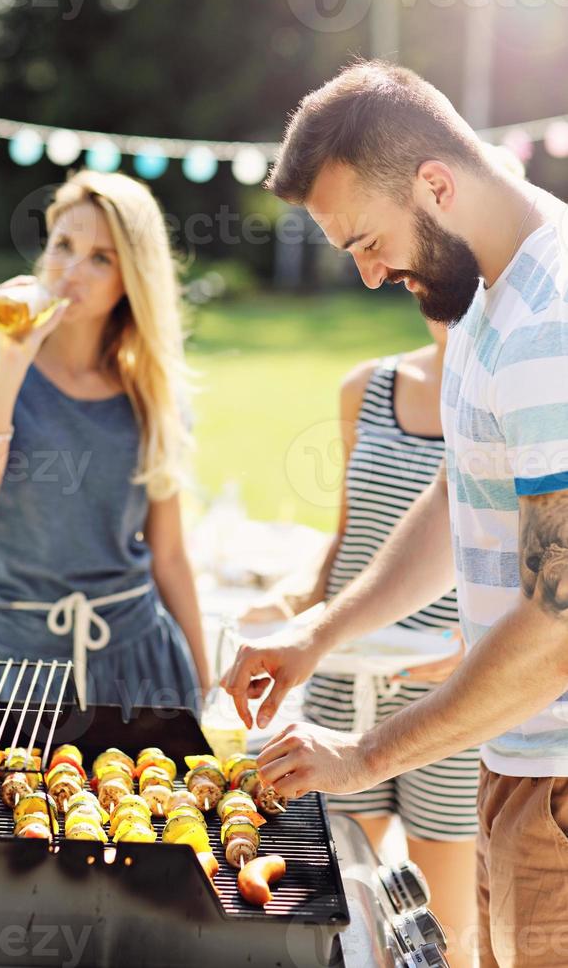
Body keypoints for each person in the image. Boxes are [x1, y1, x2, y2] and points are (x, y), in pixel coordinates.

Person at [223, 60, 568, 968]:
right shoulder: (490, 302)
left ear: (437, 185)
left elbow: (559, 618)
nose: (373, 277)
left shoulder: (552, 326)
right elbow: (462, 492)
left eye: (368, 242)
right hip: (519, 764)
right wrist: (318, 634)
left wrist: (363, 758)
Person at [241, 320, 477, 967]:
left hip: (457, 700)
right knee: (335, 908)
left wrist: (477, 646)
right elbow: (349, 538)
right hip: (345, 681)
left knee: (447, 933)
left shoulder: (503, 391)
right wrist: (291, 606)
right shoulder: (367, 388)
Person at [0, 169, 210, 716]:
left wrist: (206, 689)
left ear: (130, 280)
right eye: (64, 244)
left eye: (101, 258)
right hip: (13, 669)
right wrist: (12, 364)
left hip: (139, 665)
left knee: (147, 804)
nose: (71, 269)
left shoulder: (150, 392)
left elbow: (169, 555)